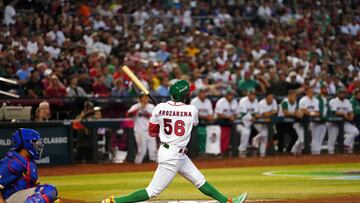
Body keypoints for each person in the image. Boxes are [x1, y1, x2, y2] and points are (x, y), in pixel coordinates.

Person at [102, 80, 247, 203]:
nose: (190, 93)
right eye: (189, 92)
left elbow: (152, 131)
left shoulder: (159, 108)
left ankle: (229, 202)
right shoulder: (192, 110)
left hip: (176, 153)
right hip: (172, 155)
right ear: (185, 95)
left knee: (200, 181)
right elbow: (193, 123)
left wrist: (162, 118)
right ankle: (114, 201)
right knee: (152, 191)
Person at [0, 128, 59, 203]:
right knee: (46, 191)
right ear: (26, 143)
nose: (39, 144)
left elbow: (36, 187)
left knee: (50, 192)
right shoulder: (12, 162)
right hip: (9, 198)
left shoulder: (30, 162)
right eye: (35, 142)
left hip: (21, 197)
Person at [126, 93, 157, 164]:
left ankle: (153, 167)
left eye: (147, 97)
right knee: (142, 151)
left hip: (150, 131)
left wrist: (147, 114)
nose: (146, 98)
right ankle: (137, 165)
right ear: (140, 98)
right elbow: (128, 114)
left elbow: (155, 117)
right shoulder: (136, 106)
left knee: (153, 150)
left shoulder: (151, 106)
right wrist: (139, 108)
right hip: (139, 131)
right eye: (144, 97)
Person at [328, 88, 359, 154]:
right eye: (341, 92)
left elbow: (351, 112)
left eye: (343, 93)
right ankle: (330, 156)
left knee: (355, 131)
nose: (342, 94)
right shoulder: (333, 101)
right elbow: (335, 112)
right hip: (333, 123)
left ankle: (345, 144)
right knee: (332, 141)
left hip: (343, 122)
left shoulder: (347, 101)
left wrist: (351, 116)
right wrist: (344, 114)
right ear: (338, 93)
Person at [190, 88, 218, 155]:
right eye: (202, 93)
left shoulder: (208, 101)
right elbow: (193, 114)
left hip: (206, 122)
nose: (204, 94)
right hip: (196, 123)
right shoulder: (194, 101)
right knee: (202, 133)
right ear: (199, 94)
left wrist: (211, 117)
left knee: (215, 131)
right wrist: (205, 117)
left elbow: (210, 113)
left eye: (204, 93)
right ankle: (201, 151)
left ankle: (212, 151)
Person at [277, 90, 304, 155]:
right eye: (293, 96)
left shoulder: (295, 102)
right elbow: (286, 113)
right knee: (281, 138)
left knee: (295, 136)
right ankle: (280, 152)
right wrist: (295, 114)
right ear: (289, 96)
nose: (295, 97)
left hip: (288, 123)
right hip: (280, 122)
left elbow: (297, 111)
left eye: (295, 96)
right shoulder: (285, 102)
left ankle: (288, 150)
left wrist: (299, 114)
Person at [253, 91, 278, 157]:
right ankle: (255, 139)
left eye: (272, 97)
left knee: (265, 136)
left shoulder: (274, 101)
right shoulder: (261, 103)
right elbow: (264, 114)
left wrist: (268, 113)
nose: (271, 99)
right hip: (258, 121)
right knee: (265, 134)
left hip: (267, 122)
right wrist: (270, 112)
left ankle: (262, 153)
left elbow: (275, 112)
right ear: (265, 98)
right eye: (269, 98)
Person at [214, 87, 238, 155]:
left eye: (232, 94)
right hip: (220, 121)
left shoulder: (235, 101)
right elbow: (219, 114)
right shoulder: (221, 101)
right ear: (226, 95)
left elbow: (236, 113)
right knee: (223, 136)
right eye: (229, 94)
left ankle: (229, 150)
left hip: (230, 121)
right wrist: (229, 117)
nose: (231, 96)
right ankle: (221, 151)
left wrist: (233, 117)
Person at [237, 90, 260, 157]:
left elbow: (256, 113)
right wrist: (254, 116)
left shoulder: (256, 100)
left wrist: (255, 116)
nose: (253, 96)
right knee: (246, 132)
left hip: (251, 122)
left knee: (264, 131)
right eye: (251, 94)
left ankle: (255, 142)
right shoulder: (243, 101)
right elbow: (243, 114)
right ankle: (242, 150)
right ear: (248, 95)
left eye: (254, 94)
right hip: (240, 122)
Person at [298, 88, 321, 154]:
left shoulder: (316, 100)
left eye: (312, 92)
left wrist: (310, 113)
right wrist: (312, 113)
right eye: (310, 91)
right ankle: (294, 152)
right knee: (301, 139)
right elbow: (303, 111)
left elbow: (317, 112)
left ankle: (298, 152)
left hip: (310, 122)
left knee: (306, 139)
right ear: (307, 92)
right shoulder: (303, 100)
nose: (311, 93)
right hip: (301, 121)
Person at [313, 84, 329, 155]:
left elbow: (327, 110)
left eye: (326, 88)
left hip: (324, 121)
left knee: (321, 139)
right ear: (321, 89)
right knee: (315, 138)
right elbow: (316, 110)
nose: (325, 90)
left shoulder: (326, 99)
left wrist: (327, 117)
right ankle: (314, 153)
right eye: (324, 88)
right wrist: (322, 116)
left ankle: (317, 153)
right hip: (316, 121)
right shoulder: (316, 98)